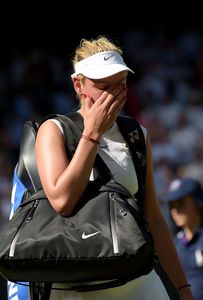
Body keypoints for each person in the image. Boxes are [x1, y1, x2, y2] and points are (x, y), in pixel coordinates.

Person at [35, 35, 194, 299]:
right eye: (103, 85)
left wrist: (182, 288)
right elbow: (63, 201)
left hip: (137, 280)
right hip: (76, 287)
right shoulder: (54, 130)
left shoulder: (136, 134)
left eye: (120, 84)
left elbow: (153, 217)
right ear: (79, 85)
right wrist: (93, 133)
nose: (114, 94)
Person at [164, 177, 203, 300]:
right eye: (171, 205)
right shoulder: (174, 244)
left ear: (197, 202)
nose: (175, 210)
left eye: (179, 203)